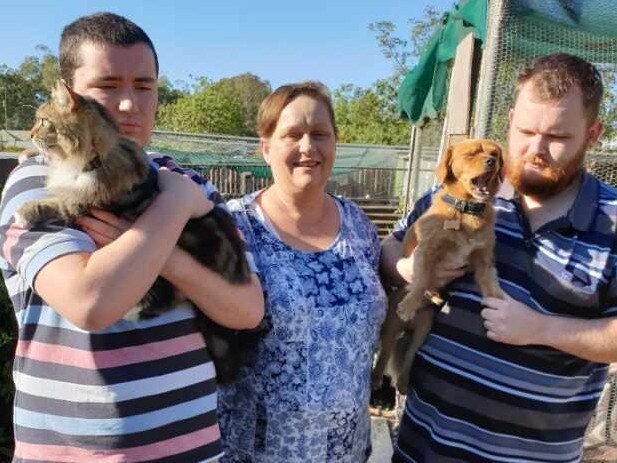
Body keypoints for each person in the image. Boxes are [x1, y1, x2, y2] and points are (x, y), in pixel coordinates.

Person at [0, 12, 264, 462]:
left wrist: (163, 244)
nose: (128, 105)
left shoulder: (186, 181)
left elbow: (246, 308)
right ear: (70, 95)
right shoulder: (36, 182)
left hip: (192, 449)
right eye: (107, 86)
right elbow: (92, 301)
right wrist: (173, 210)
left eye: (144, 86)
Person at [382, 53, 617, 462]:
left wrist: (541, 329)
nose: (536, 150)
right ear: (509, 120)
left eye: (558, 137)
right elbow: (388, 249)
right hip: (423, 447)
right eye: (525, 131)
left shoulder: (611, 220)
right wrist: (409, 269)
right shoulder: (459, 189)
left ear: (593, 134)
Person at [217, 82, 387, 462]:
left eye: (320, 134)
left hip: (348, 450)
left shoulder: (358, 224)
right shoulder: (233, 227)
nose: (308, 147)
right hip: (258, 452)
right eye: (292, 135)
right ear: (266, 148)